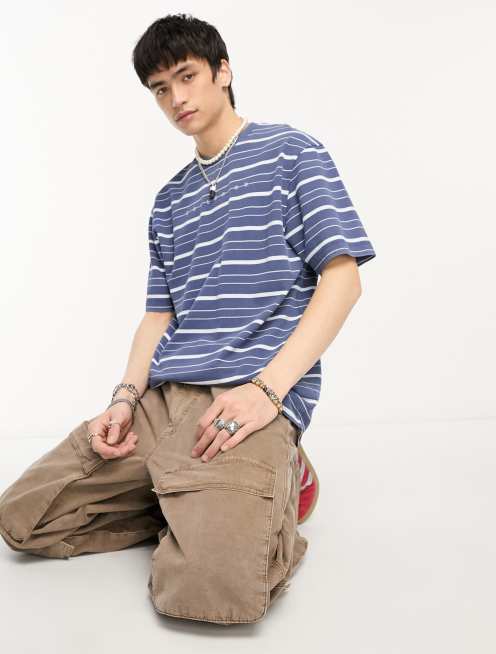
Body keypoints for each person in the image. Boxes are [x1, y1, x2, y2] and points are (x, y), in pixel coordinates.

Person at [0, 13, 376, 625]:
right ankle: (191, 497)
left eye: (186, 76)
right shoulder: (169, 200)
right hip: (165, 400)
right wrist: (124, 400)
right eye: (159, 89)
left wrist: (267, 393)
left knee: (211, 589)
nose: (175, 98)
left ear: (223, 72)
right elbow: (158, 316)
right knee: (25, 516)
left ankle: (274, 479)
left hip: (248, 399)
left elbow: (343, 279)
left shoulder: (291, 153)